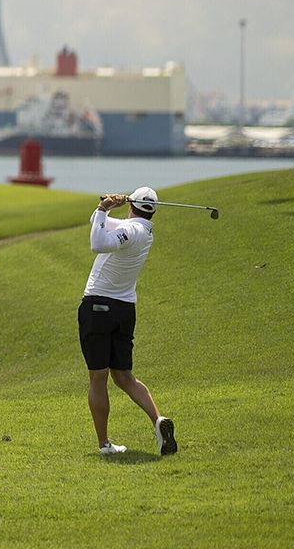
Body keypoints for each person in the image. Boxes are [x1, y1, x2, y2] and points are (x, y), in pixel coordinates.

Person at [81, 186, 177, 456]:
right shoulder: (144, 231)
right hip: (124, 309)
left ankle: (104, 444)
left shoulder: (131, 231)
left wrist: (103, 209)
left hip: (98, 306)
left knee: (97, 379)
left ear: (132, 205)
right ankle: (158, 421)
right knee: (124, 376)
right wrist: (105, 208)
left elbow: (96, 243)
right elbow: (96, 224)